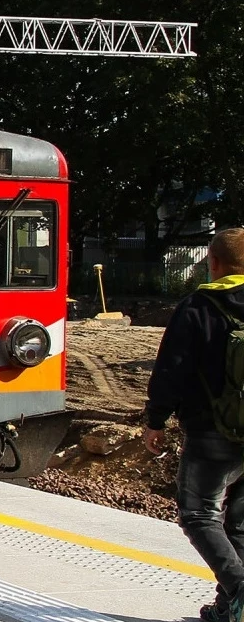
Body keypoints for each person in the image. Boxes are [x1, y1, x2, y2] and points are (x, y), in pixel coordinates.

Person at [145, 228, 244, 622]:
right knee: (238, 521)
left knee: (198, 514)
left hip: (210, 431)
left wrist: (156, 420)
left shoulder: (198, 307)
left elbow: (173, 369)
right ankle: (228, 609)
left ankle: (239, 589)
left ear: (213, 262)